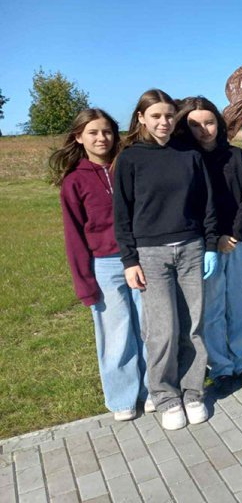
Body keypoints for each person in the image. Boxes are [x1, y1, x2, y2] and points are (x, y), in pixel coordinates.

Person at [114, 89, 219, 430]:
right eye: (156, 116)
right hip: (151, 255)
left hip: (191, 249)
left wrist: (211, 245)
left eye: (169, 115)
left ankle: (192, 391)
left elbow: (206, 203)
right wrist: (130, 260)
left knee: (193, 327)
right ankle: (165, 396)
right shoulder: (130, 159)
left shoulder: (189, 155)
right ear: (141, 118)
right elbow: (122, 213)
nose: (164, 122)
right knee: (163, 330)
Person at [51, 108, 149, 422]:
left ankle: (152, 390)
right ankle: (123, 398)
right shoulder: (74, 181)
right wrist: (84, 283)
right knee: (116, 333)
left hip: (140, 258)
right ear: (79, 137)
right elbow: (74, 236)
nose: (101, 138)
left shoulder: (127, 166)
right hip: (105, 265)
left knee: (148, 326)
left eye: (106, 131)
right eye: (92, 132)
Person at [177, 97, 242, 394]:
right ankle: (220, 367)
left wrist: (234, 233)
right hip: (205, 247)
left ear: (219, 124)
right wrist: (213, 240)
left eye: (209, 122)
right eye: (195, 125)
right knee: (211, 308)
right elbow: (187, 206)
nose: (204, 130)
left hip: (239, 241)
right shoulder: (185, 160)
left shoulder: (236, 157)